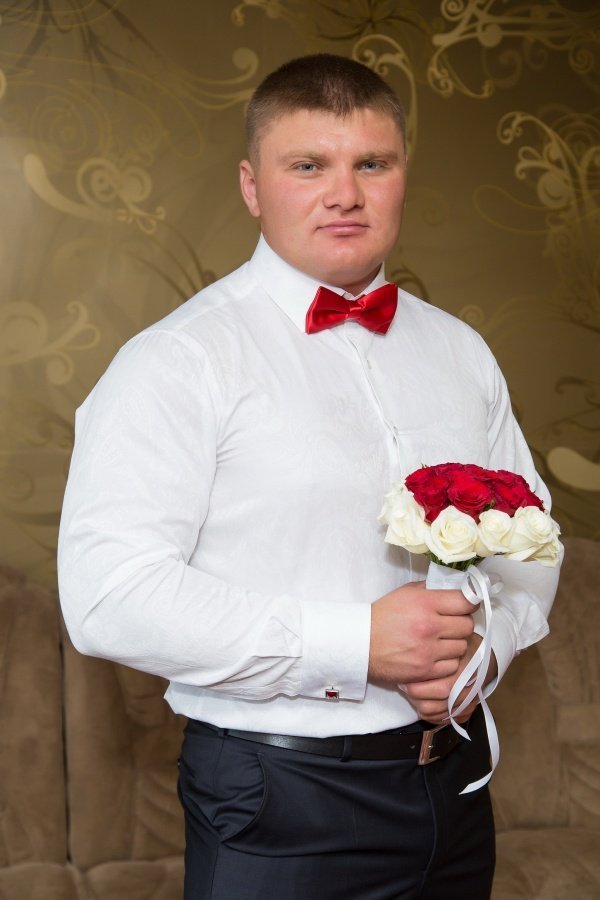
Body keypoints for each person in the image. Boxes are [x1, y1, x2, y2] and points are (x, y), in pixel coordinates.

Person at [58, 54, 561, 899]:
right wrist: (356, 644)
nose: (345, 194)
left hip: (456, 785)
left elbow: (534, 535)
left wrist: (490, 648)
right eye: (308, 166)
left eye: (372, 163)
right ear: (252, 186)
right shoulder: (177, 361)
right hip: (278, 801)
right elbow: (108, 596)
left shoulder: (461, 351)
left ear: (403, 176)